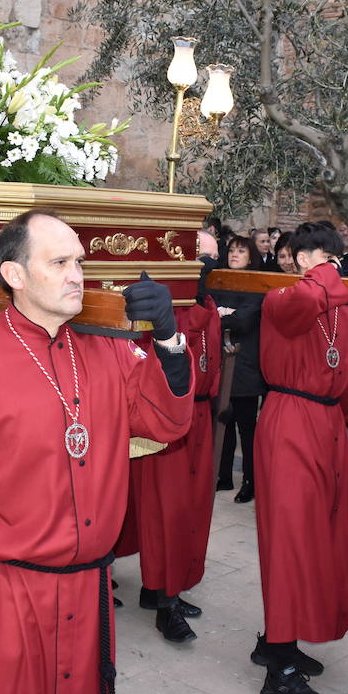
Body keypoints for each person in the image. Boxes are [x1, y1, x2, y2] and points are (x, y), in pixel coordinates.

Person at [0, 209, 193, 694]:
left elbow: (166, 422)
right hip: (2, 596)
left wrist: (167, 341)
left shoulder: (107, 351)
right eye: (59, 263)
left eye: (79, 261)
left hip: (86, 592)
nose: (77, 275)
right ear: (15, 275)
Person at [251, 221, 348, 694]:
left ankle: (275, 641)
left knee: (321, 540)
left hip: (327, 428)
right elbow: (306, 303)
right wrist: (326, 275)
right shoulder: (282, 300)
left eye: (336, 257)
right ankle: (279, 670)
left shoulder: (345, 317)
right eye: (322, 257)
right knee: (288, 541)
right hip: (288, 423)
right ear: (301, 259)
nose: (333, 265)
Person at [121, 227, 223, 643]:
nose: (207, 269)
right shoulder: (164, 309)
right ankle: (164, 600)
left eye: (211, 260)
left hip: (200, 419)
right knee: (164, 511)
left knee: (190, 511)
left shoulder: (208, 303)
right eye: (200, 259)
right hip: (166, 418)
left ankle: (163, 588)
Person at [213, 233, 265, 502]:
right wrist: (223, 316)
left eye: (241, 251)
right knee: (223, 420)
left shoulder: (256, 286)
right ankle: (222, 476)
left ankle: (250, 480)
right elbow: (208, 314)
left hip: (245, 367)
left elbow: (243, 322)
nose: (234, 255)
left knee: (246, 428)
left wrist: (222, 316)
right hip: (221, 364)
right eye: (232, 250)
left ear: (251, 257)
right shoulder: (219, 281)